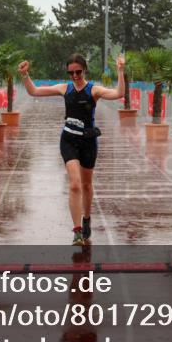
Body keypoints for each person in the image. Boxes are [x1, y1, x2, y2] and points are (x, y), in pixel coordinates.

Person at [19, 54, 125, 246]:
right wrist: (25, 75)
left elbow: (119, 93)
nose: (74, 76)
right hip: (68, 140)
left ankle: (87, 218)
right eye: (71, 73)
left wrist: (120, 70)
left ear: (84, 70)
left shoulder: (94, 90)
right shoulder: (64, 88)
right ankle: (77, 232)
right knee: (75, 184)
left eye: (78, 72)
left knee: (86, 185)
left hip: (88, 142)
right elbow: (34, 91)